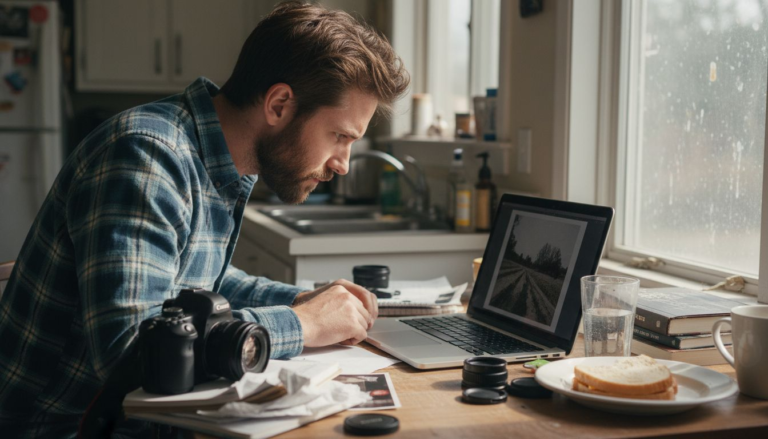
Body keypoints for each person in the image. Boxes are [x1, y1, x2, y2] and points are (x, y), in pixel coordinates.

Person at [0, 2, 409, 437]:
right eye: (340, 136)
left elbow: (197, 288)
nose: (343, 164)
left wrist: (303, 301)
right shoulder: (145, 156)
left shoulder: (211, 158)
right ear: (280, 104)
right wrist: (303, 325)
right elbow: (135, 351)